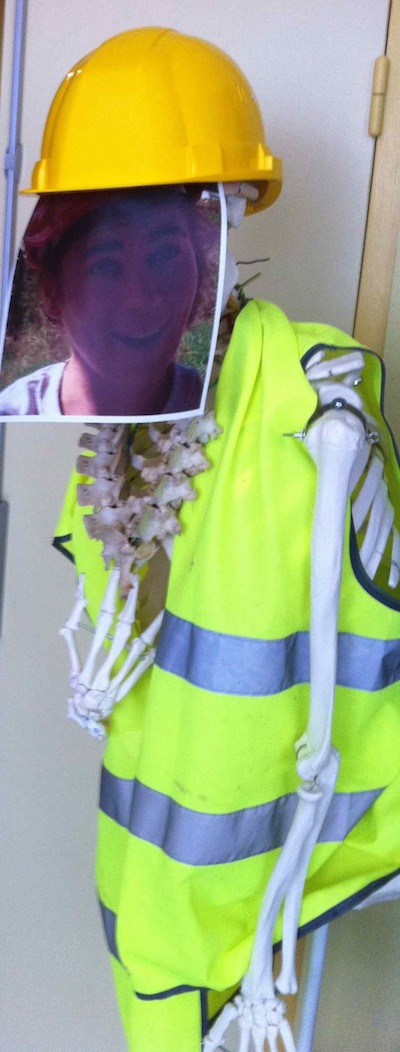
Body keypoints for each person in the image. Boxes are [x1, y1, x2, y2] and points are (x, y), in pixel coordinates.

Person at [34, 25, 400, 1052]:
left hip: (271, 904)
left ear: (229, 214)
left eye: (166, 232)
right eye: (102, 240)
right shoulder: (119, 414)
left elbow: (353, 691)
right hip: (144, 868)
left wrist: (276, 923)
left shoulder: (315, 414)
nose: (135, 283)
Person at [0, 186, 220, 416]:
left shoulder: (225, 408)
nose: (141, 300)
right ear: (52, 292)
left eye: (166, 253)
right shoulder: (10, 418)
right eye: (105, 266)